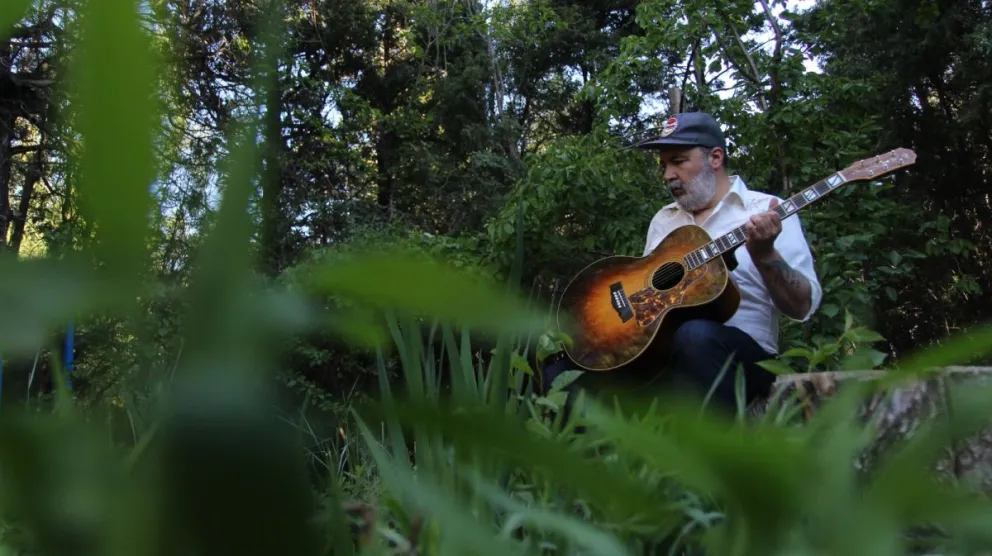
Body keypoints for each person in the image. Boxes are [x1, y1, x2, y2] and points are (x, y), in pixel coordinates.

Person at [540, 111, 822, 416]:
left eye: (678, 161)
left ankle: (713, 446)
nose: (668, 175)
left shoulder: (767, 210)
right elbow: (647, 297)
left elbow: (802, 306)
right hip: (664, 357)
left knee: (695, 335)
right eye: (663, 165)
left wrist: (765, 255)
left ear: (715, 158)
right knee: (563, 370)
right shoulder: (665, 219)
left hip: (743, 357)